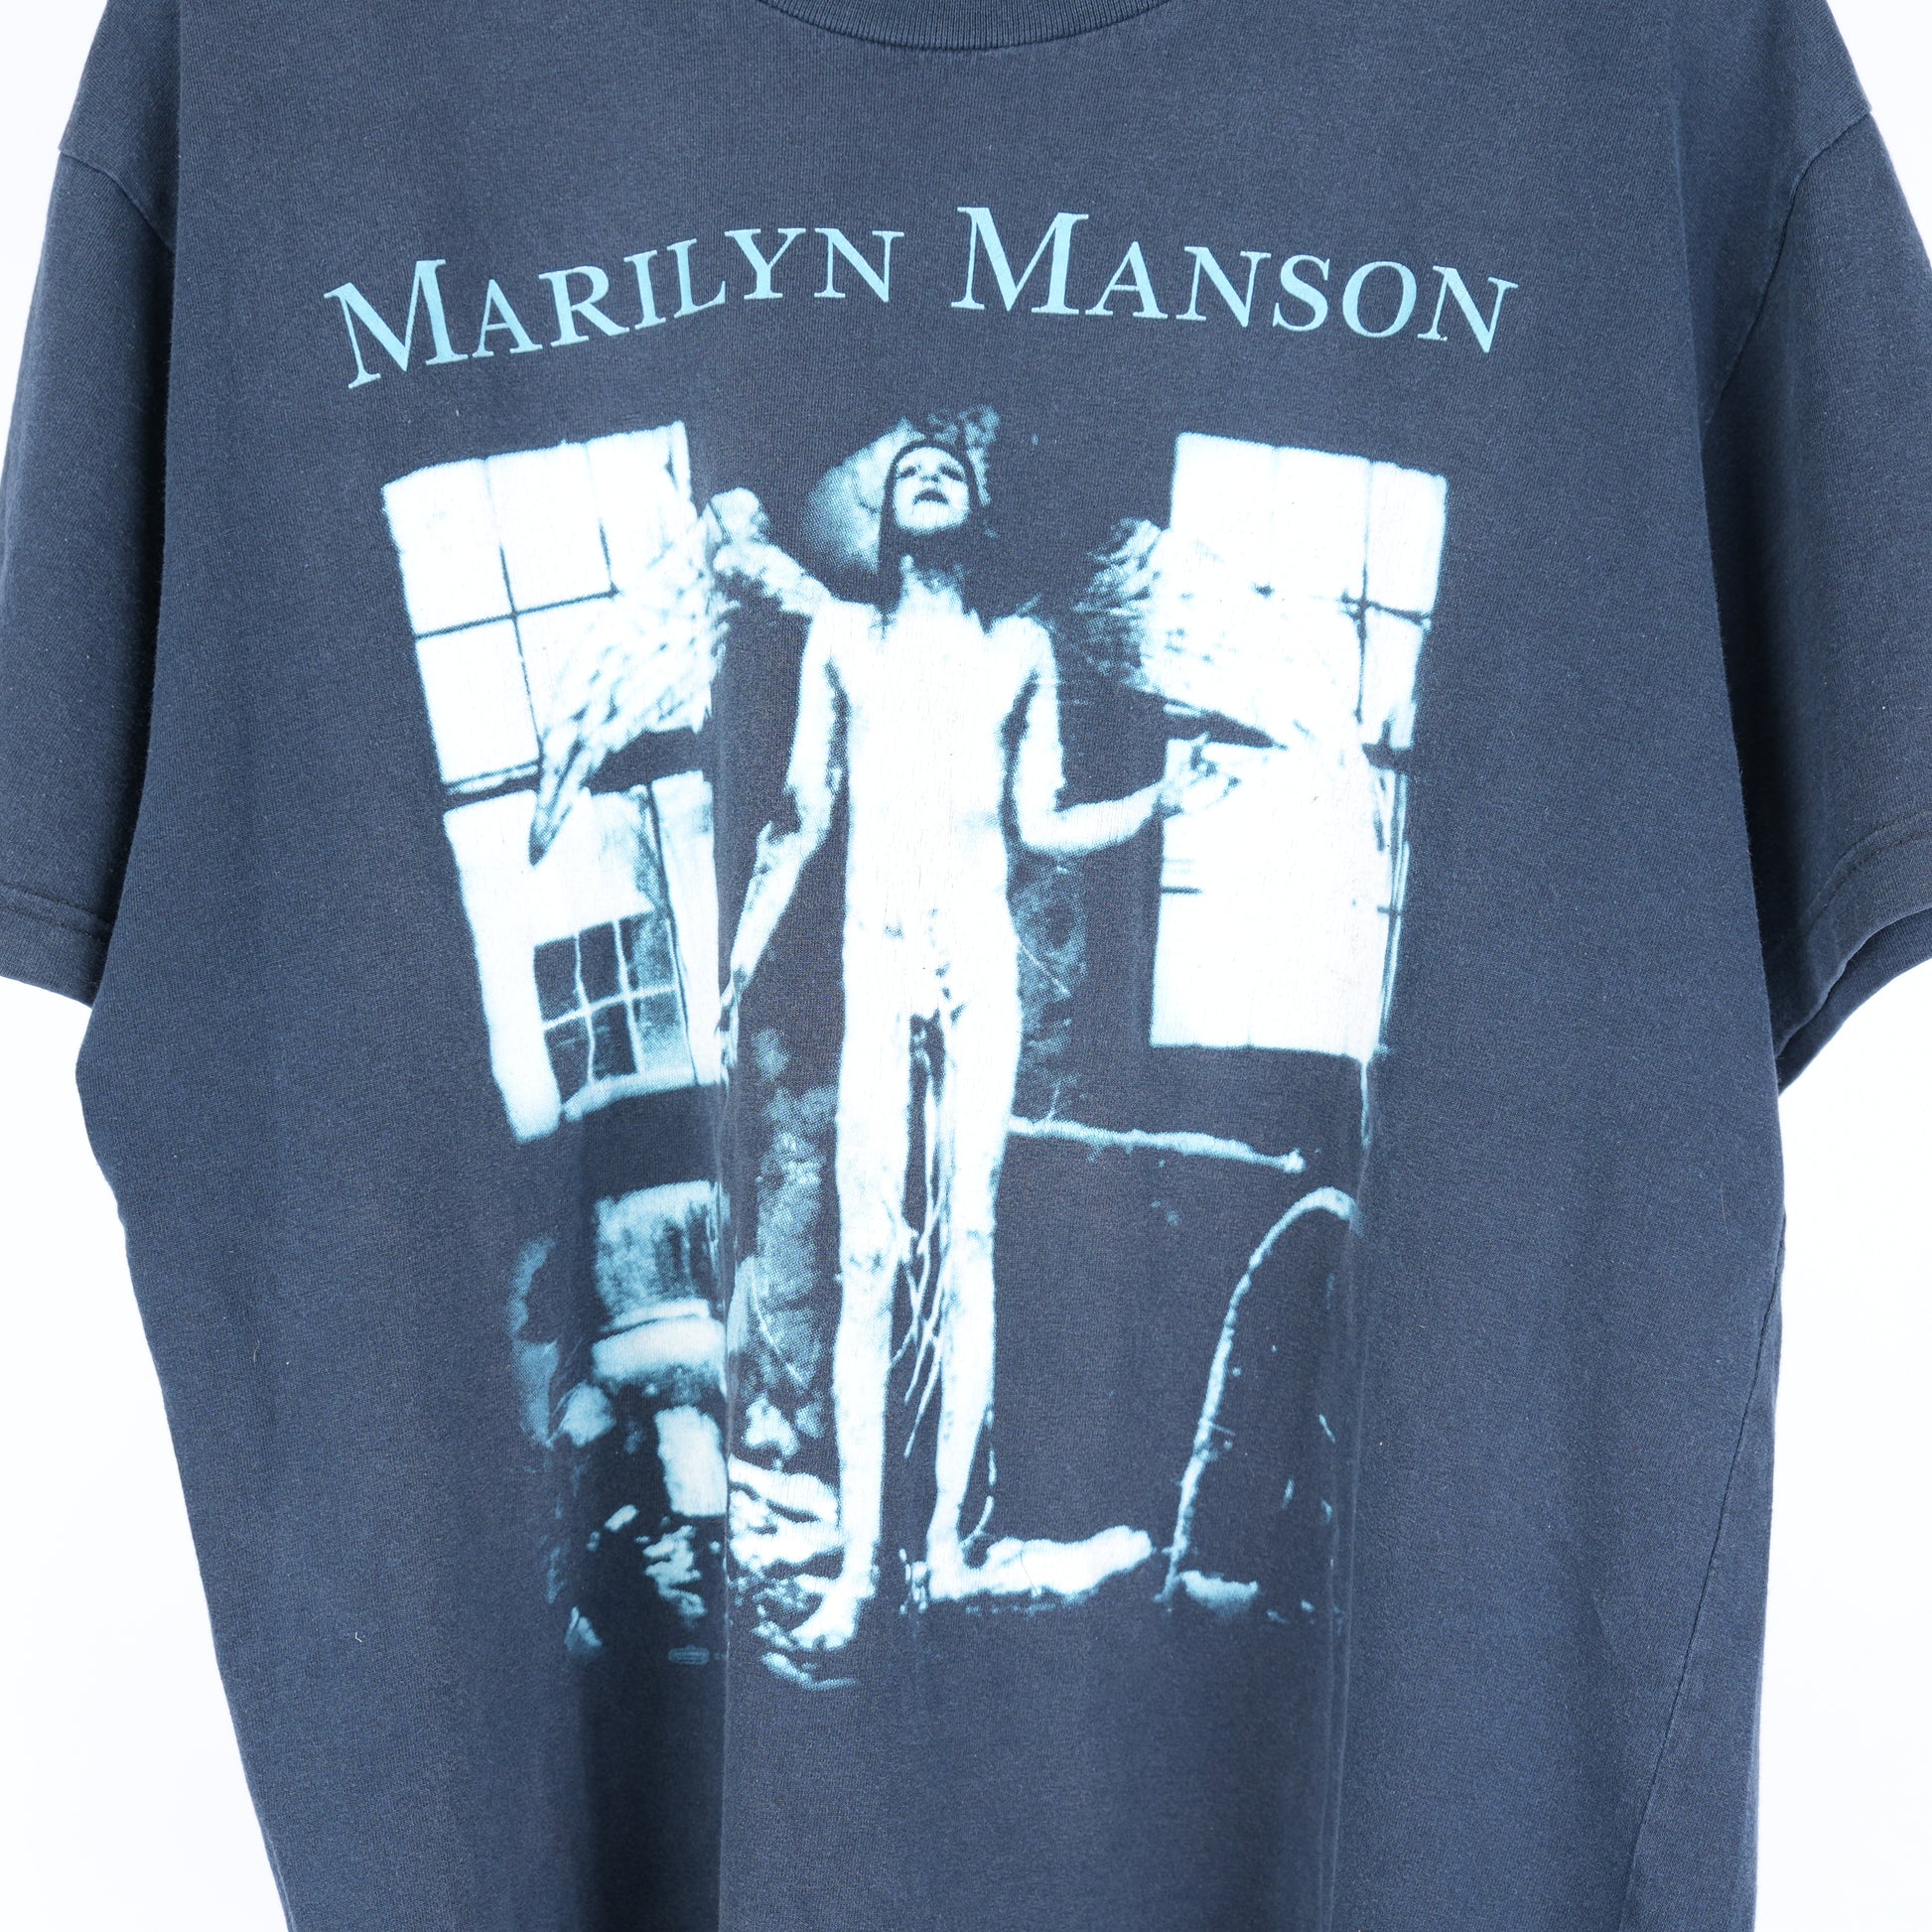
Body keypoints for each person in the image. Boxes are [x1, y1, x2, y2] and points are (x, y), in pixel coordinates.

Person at [719, 438, 1228, 1651]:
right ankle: (858, 1567)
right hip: (875, 953)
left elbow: (1039, 824)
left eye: (949, 469)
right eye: (910, 472)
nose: (930, 476)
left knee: (972, 1243)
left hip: (980, 959)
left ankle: (943, 1548)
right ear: (886, 519)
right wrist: (737, 962)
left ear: (978, 510)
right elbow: (799, 814)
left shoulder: (1020, 652)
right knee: (864, 1254)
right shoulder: (840, 638)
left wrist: (1158, 800)